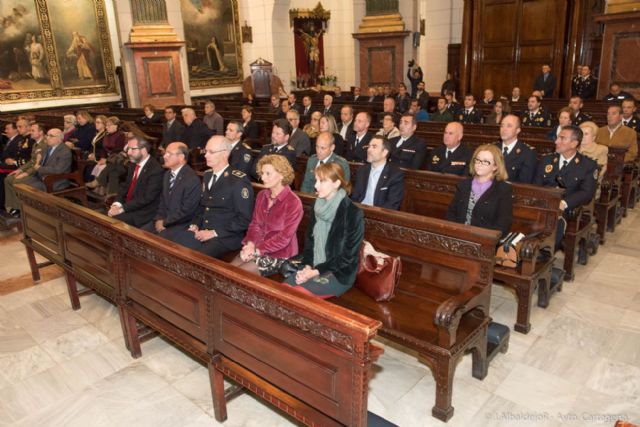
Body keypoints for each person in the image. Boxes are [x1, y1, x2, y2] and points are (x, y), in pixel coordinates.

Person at [164, 136, 254, 258]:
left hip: (225, 236)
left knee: (193, 258)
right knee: (170, 244)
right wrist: (195, 224)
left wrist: (213, 233)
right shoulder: (207, 175)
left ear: (225, 154)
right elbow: (203, 206)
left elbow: (244, 219)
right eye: (206, 151)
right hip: (202, 230)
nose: (206, 155)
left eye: (211, 152)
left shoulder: (238, 181)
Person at [286, 162, 364, 298]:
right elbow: (310, 243)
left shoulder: (352, 213)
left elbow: (347, 258)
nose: (316, 186)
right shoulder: (317, 205)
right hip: (314, 266)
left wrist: (316, 271)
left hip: (339, 273)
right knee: (283, 290)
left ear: (336, 183)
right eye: (316, 180)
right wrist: (308, 267)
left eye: (322, 181)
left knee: (297, 296)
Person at [232, 155, 303, 274]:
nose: (263, 177)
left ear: (281, 175)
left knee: (239, 275)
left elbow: (284, 238)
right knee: (228, 270)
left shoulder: (293, 202)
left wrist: (257, 251)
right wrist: (250, 245)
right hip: (256, 247)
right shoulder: (262, 195)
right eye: (262, 173)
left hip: (280, 254)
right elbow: (255, 224)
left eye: (268, 173)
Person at [534, 125, 597, 247]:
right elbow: (536, 185)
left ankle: (545, 252)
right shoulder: (546, 160)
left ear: (574, 143)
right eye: (558, 138)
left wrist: (564, 203)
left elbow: (587, 193)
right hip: (542, 205)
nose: (556, 141)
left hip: (566, 210)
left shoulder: (587, 165)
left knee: (555, 223)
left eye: (562, 138)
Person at [447, 144, 513, 238]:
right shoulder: (464, 185)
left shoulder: (503, 190)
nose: (479, 164)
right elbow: (451, 213)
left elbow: (503, 224)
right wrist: (455, 232)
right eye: (477, 160)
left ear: (495, 166)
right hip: (458, 235)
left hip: (484, 240)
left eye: (485, 161)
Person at [4, 128, 72, 217]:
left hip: (55, 180)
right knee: (11, 180)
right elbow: (34, 162)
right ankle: (16, 207)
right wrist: (26, 171)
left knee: (19, 183)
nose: (47, 138)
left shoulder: (64, 151)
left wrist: (39, 168)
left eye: (51, 136)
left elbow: (58, 170)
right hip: (41, 176)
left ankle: (25, 211)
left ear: (59, 138)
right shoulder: (47, 147)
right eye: (47, 135)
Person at [142, 142, 200, 234]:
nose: (165, 156)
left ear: (181, 157)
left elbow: (187, 211)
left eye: (169, 154)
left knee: (158, 241)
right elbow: (162, 201)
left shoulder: (191, 179)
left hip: (180, 224)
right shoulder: (167, 174)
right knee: (140, 234)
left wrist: (164, 222)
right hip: (163, 220)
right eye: (165, 153)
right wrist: (159, 219)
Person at [107, 135, 164, 227]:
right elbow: (125, 186)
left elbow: (146, 198)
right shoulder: (133, 164)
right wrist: (116, 204)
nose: (129, 152)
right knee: (104, 218)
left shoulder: (155, 170)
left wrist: (122, 209)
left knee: (112, 222)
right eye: (128, 149)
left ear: (144, 150)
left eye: (132, 149)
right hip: (130, 205)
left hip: (142, 212)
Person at [351, 135, 405, 210]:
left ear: (384, 152)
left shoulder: (395, 174)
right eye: (369, 146)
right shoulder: (362, 170)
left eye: (374, 147)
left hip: (379, 214)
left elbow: (392, 205)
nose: (369, 150)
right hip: (360, 210)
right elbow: (355, 197)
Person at [92, 116, 127, 196]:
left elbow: (118, 150)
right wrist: (102, 158)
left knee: (107, 168)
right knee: (100, 166)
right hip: (109, 159)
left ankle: (100, 186)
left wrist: (107, 160)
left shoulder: (120, 135)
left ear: (116, 126)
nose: (107, 127)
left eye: (109, 125)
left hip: (117, 159)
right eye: (106, 125)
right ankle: (105, 193)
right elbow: (103, 149)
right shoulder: (107, 135)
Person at [498, 115, 537, 183]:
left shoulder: (527, 152)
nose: (504, 129)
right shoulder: (492, 148)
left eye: (509, 126)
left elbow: (525, 182)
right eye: (502, 125)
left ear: (517, 130)